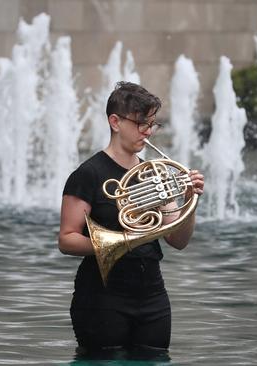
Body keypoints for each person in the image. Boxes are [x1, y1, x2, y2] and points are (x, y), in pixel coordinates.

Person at [58, 81, 205, 355]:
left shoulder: (154, 174)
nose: (148, 132)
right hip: (103, 296)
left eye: (152, 124)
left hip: (152, 294)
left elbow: (178, 240)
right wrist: (118, 243)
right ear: (115, 122)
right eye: (141, 123)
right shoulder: (88, 174)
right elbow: (66, 239)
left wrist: (189, 200)